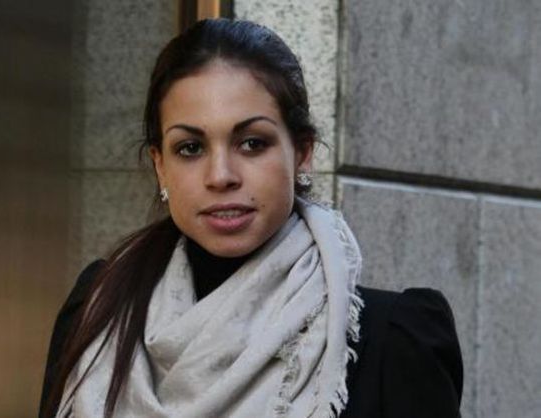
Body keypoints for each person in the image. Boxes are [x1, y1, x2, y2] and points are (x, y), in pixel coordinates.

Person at [39, 19, 463, 418]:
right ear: (160, 165)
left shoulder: (392, 342)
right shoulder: (99, 312)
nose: (221, 176)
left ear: (302, 153)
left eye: (252, 143)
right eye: (190, 148)